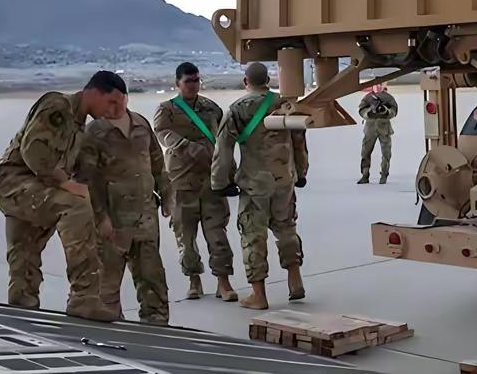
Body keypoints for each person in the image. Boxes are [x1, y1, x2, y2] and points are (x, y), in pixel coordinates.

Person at [0, 71, 125, 321]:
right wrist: (64, 182)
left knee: (25, 253)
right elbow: (33, 151)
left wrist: (101, 217)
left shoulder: (79, 127)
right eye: (112, 103)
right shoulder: (58, 106)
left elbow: (83, 177)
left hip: (33, 188)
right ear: (93, 92)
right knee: (74, 208)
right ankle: (83, 298)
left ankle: (22, 311)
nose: (114, 111)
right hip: (13, 182)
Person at [212, 62, 308, 310]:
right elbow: (299, 140)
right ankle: (294, 280)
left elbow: (223, 149)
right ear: (268, 79)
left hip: (255, 184)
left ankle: (259, 294)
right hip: (284, 180)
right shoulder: (284, 104)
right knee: (286, 228)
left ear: (246, 82)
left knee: (253, 236)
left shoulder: (237, 109)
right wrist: (301, 173)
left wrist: (220, 182)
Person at [79, 90, 171, 324]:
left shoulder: (140, 123)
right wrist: (100, 218)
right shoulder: (94, 132)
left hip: (145, 218)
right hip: (113, 221)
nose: (116, 107)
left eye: (120, 100)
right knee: (106, 286)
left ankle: (157, 328)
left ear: (126, 98)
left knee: (152, 280)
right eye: (110, 101)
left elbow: (157, 163)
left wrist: (167, 195)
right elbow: (86, 179)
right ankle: (110, 334)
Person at [154, 63, 236, 302]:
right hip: (181, 183)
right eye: (188, 81)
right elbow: (163, 134)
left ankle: (224, 282)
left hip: (211, 183)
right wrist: (189, 148)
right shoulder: (167, 110)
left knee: (217, 235)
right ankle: (194, 281)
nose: (193, 85)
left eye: (196, 80)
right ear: (177, 83)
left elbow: (225, 142)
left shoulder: (211, 108)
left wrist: (229, 173)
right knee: (186, 238)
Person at [357, 84, 398, 185]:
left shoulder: (388, 98)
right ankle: (365, 174)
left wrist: (386, 111)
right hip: (370, 128)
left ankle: (384, 174)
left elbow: (394, 110)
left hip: (384, 128)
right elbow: (361, 110)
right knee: (365, 152)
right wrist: (369, 112)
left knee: (386, 153)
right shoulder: (368, 97)